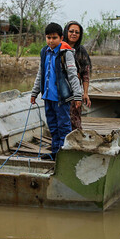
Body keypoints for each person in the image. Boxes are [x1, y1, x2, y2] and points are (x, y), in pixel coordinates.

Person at [31, 22, 82, 160]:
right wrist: (34, 92)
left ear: (61, 38)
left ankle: (64, 155)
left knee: (64, 127)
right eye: (48, 37)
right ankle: (55, 153)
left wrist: (78, 96)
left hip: (61, 98)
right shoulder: (44, 52)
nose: (51, 41)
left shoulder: (66, 53)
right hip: (48, 97)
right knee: (53, 126)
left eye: (54, 38)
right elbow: (40, 74)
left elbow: (72, 75)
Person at [63, 21, 92, 130]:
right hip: (60, 89)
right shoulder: (59, 48)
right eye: (71, 31)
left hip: (74, 89)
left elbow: (85, 73)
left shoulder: (81, 51)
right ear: (66, 32)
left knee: (75, 117)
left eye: (77, 32)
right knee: (61, 117)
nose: (74, 34)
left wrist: (85, 93)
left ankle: (76, 139)